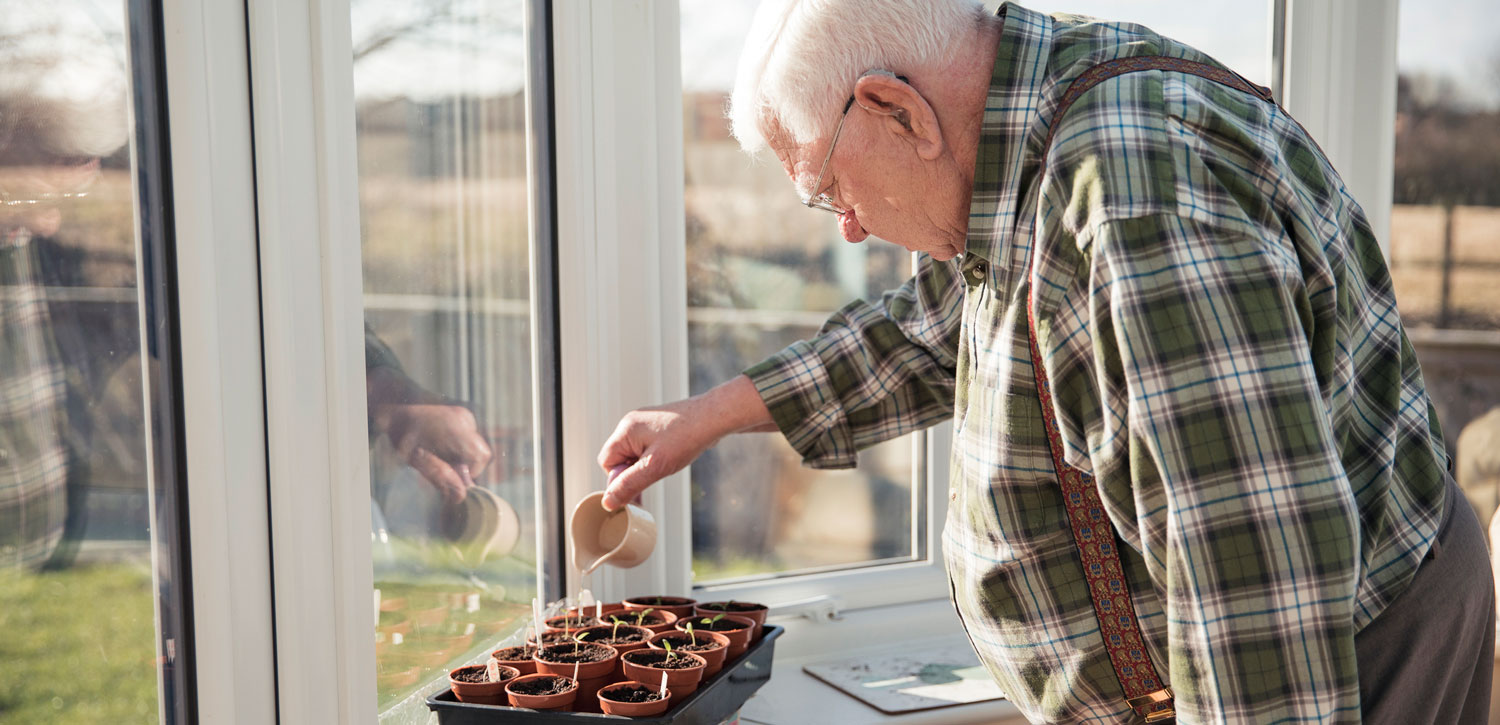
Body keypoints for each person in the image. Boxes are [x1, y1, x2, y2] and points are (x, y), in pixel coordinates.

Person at [597, 2, 1493, 723]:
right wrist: (714, 413)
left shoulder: (1140, 212)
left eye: (830, 186)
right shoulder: (1019, 129)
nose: (847, 226)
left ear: (895, 109)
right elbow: (938, 322)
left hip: (1344, 661)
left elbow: (1253, 588)